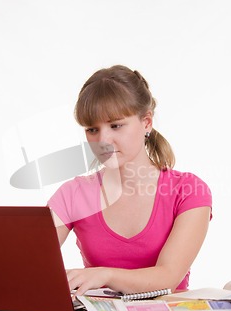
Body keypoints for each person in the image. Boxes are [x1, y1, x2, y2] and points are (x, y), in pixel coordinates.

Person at [48, 65, 212, 296]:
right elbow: (31, 263)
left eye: (116, 125)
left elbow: (168, 277)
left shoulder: (188, 191)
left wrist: (105, 275)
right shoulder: (73, 194)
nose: (103, 140)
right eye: (92, 129)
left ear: (146, 122)